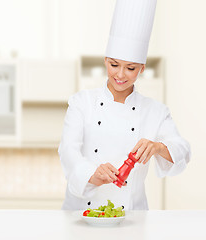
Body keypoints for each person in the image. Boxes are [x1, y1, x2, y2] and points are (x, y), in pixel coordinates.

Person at [58, 0, 191, 210]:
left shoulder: (155, 111)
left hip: (131, 216)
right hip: (81, 212)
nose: (120, 75)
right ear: (105, 60)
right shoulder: (81, 102)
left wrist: (157, 147)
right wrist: (91, 174)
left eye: (130, 68)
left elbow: (183, 150)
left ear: (142, 68)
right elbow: (67, 150)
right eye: (114, 65)